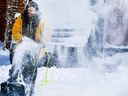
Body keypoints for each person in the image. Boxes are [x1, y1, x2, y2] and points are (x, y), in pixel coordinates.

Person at [8, 1, 49, 96]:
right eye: (29, 10)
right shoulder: (21, 18)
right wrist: (21, 39)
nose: (30, 12)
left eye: (32, 10)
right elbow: (15, 30)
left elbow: (46, 33)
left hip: (34, 49)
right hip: (22, 46)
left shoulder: (41, 20)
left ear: (36, 11)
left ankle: (30, 90)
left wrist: (42, 42)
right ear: (26, 9)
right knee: (17, 65)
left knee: (32, 69)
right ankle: (14, 83)